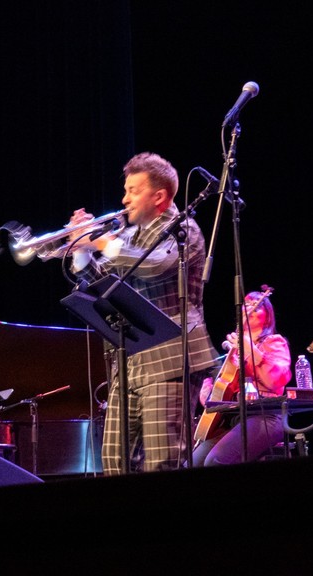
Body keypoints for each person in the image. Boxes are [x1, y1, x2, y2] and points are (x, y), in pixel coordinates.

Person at [66, 151, 219, 473]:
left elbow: (155, 266)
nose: (124, 199)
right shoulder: (127, 236)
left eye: (133, 191)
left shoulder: (184, 230)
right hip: (129, 360)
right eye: (126, 191)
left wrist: (102, 244)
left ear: (159, 196)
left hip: (170, 358)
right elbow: (101, 283)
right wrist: (80, 249)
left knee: (162, 463)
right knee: (114, 462)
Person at [191, 288, 293, 466]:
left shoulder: (274, 342)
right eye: (246, 304)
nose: (250, 307)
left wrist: (251, 351)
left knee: (215, 461)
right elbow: (223, 390)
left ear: (267, 317)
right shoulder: (234, 352)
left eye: (257, 306)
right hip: (234, 418)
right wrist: (209, 393)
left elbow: (276, 381)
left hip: (265, 416)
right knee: (191, 465)